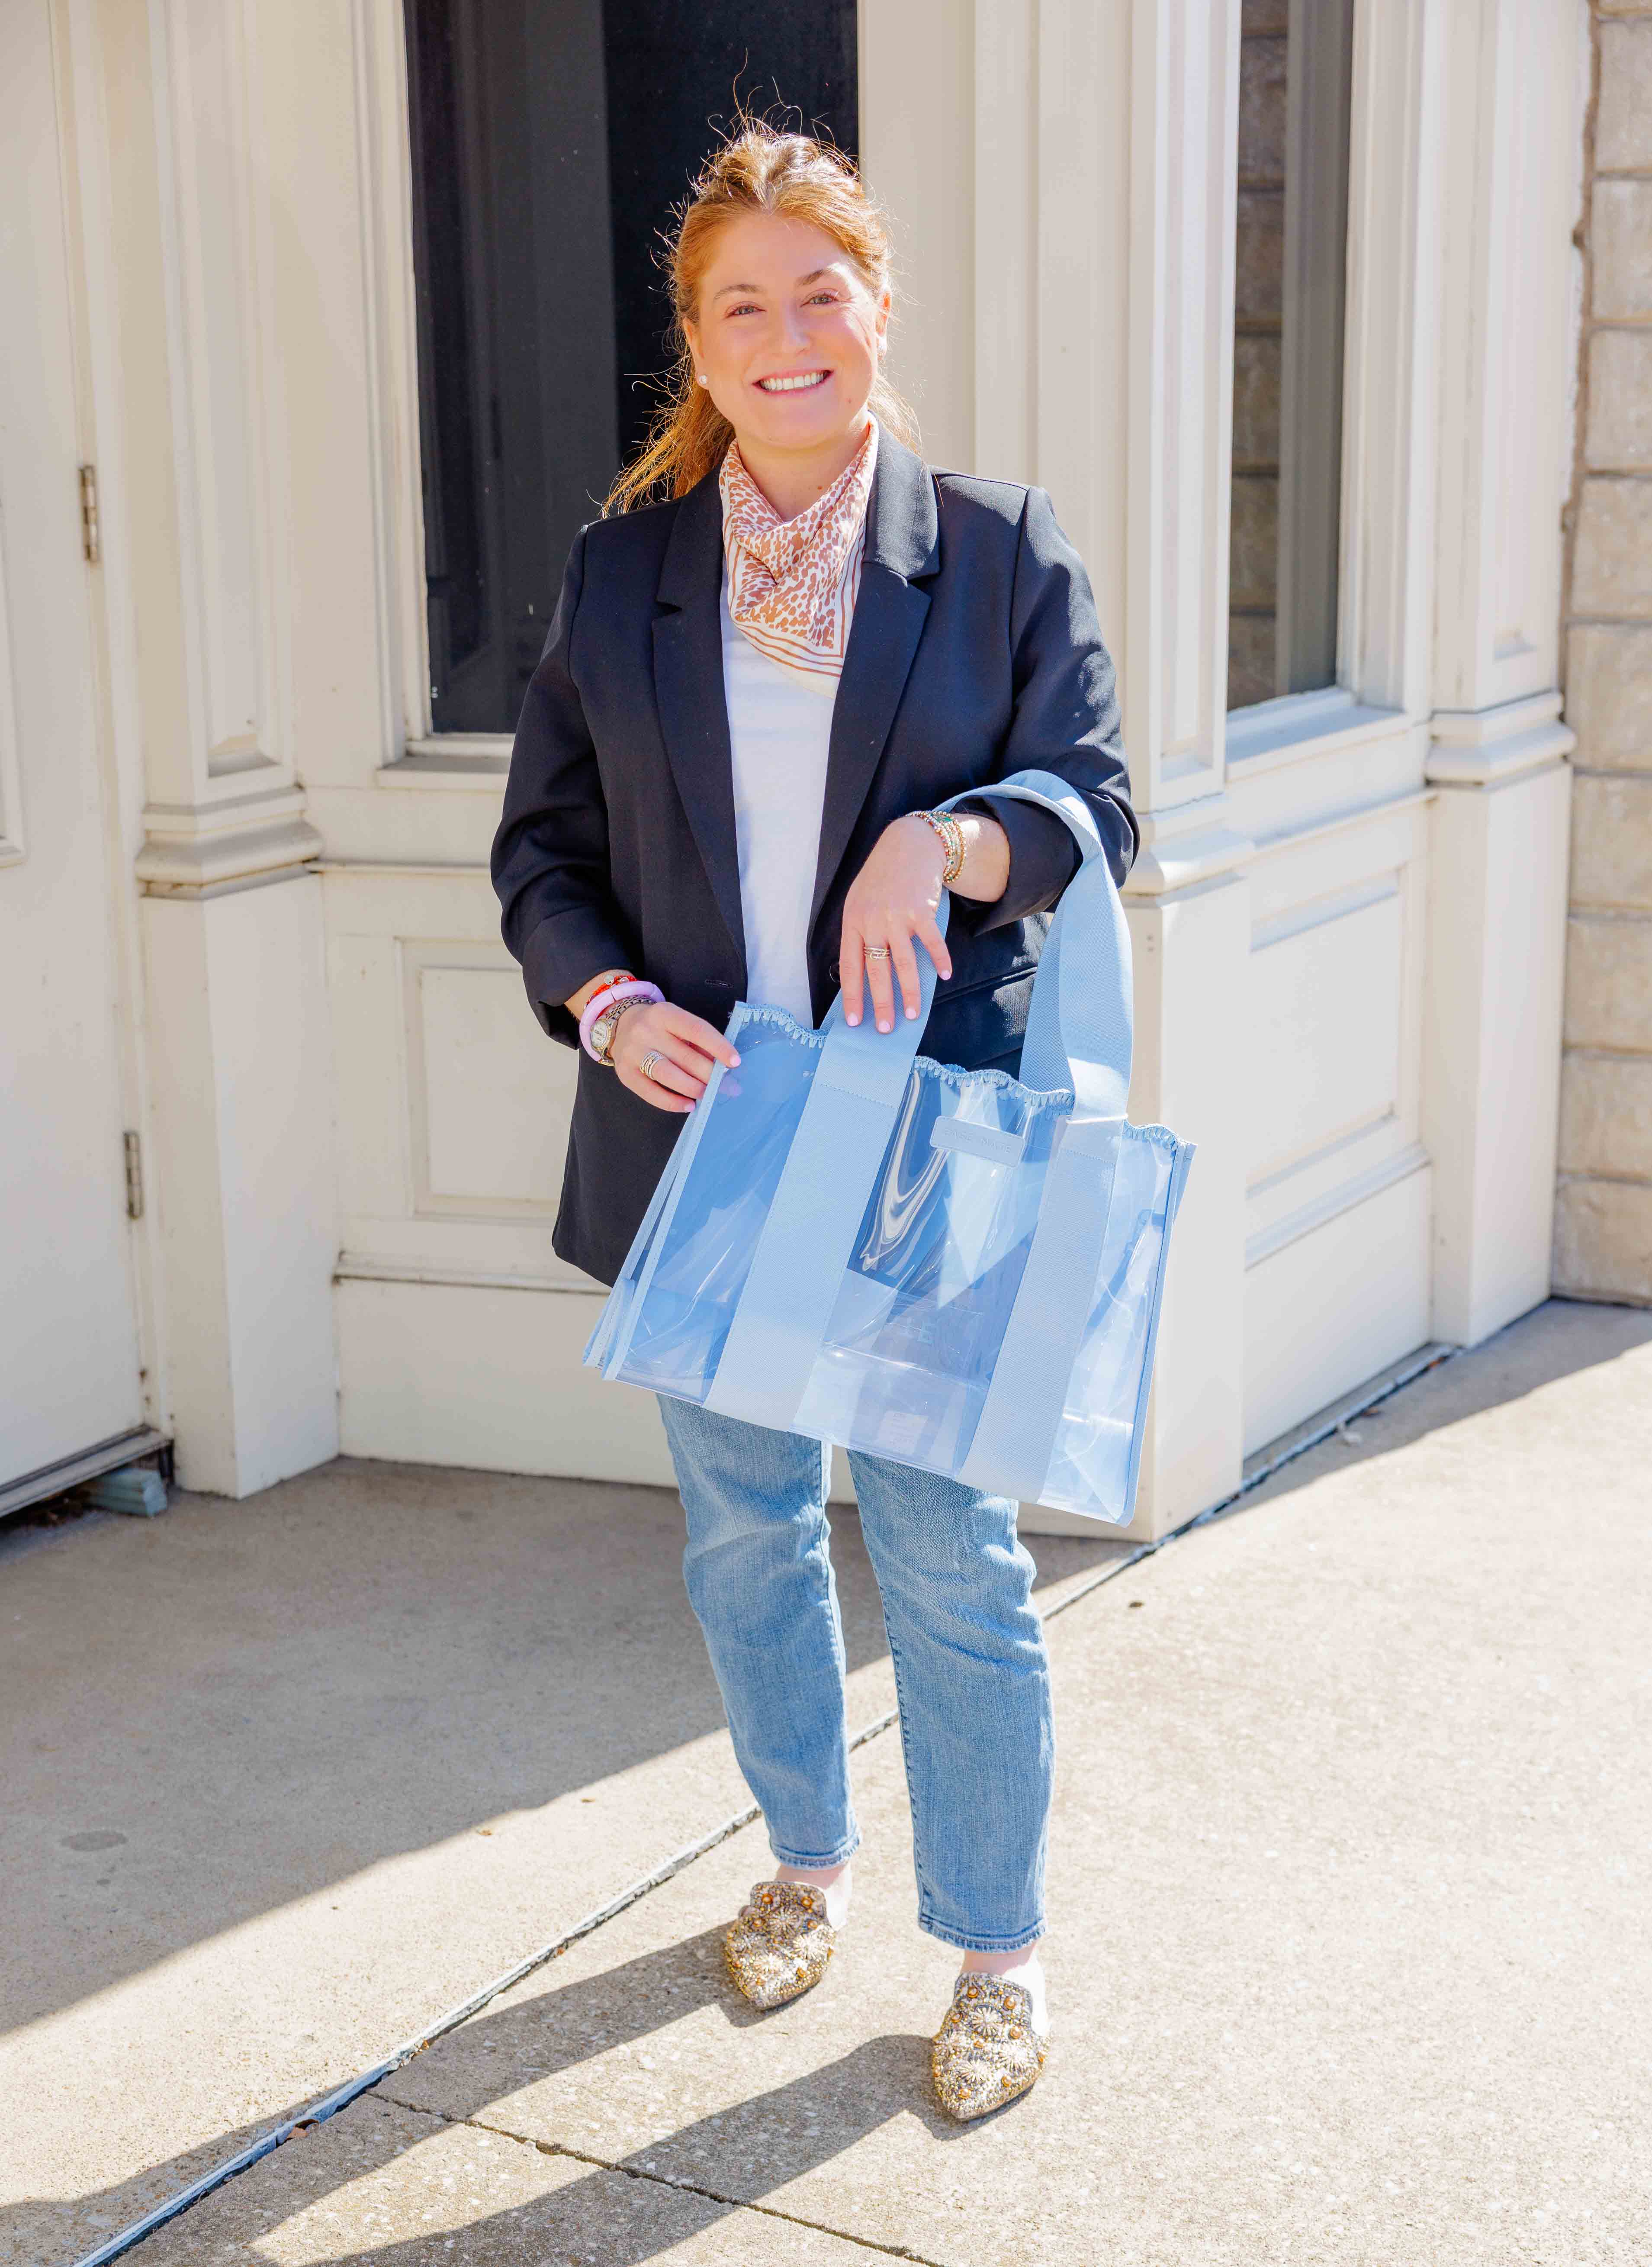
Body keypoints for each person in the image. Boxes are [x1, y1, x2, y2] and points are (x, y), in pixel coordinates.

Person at [492, 121, 1136, 2121]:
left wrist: (946, 845)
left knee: (950, 1553)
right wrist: (603, 1004)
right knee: (750, 1535)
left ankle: (997, 1952)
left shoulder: (998, 547)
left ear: (877, 304)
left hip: (929, 1140)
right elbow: (544, 850)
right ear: (695, 341)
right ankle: (799, 1859)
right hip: (718, 1150)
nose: (788, 336)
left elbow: (1096, 806)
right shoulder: (625, 576)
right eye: (740, 305)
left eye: (819, 291)